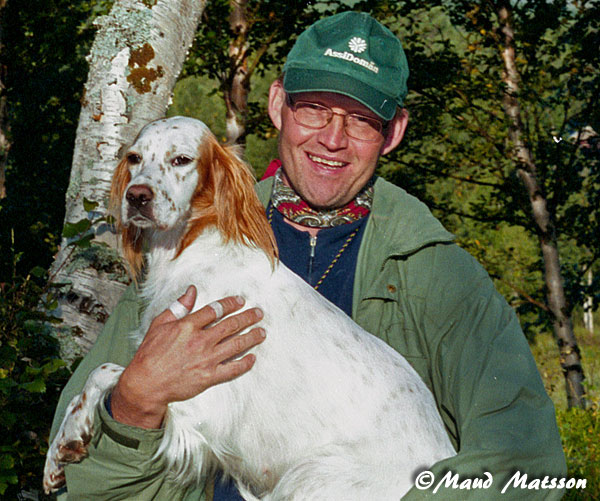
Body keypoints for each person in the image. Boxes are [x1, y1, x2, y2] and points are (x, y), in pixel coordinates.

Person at [50, 11, 566, 500]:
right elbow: (83, 479)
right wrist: (132, 403)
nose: (333, 139)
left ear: (394, 133)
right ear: (277, 104)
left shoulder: (437, 273)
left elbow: (525, 462)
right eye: (315, 108)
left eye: (361, 120)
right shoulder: (178, 248)